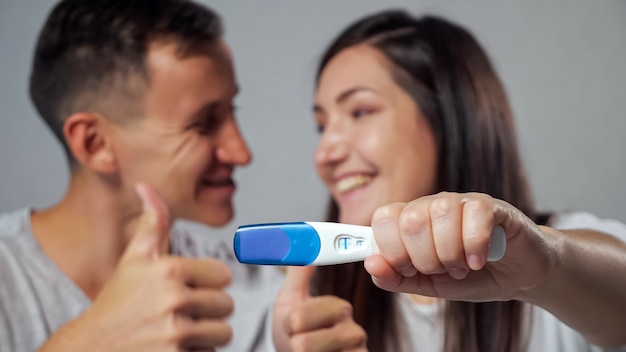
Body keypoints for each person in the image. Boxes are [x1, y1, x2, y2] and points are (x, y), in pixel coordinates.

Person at [0, 1, 366, 351]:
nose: (242, 152)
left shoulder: (263, 300)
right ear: (95, 144)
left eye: (231, 111)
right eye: (203, 123)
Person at [271, 10, 626, 352]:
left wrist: (546, 269)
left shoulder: (562, 255)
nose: (324, 153)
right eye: (322, 125)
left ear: (448, 119)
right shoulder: (313, 308)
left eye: (360, 112)